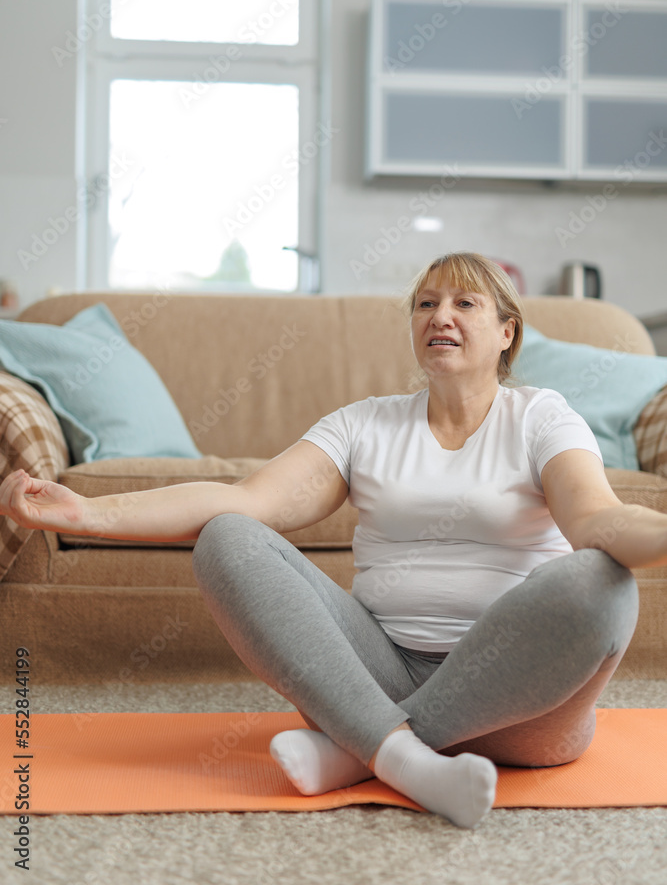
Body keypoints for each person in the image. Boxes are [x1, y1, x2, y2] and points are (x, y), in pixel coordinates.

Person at [1, 252, 664, 830]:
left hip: (524, 707)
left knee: (600, 580)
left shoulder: (541, 416)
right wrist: (87, 513)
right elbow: (242, 501)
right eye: (425, 303)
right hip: (374, 674)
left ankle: (362, 751)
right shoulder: (364, 425)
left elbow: (596, 524)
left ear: (505, 333)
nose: (440, 315)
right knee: (230, 537)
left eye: (464, 302)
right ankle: (399, 752)